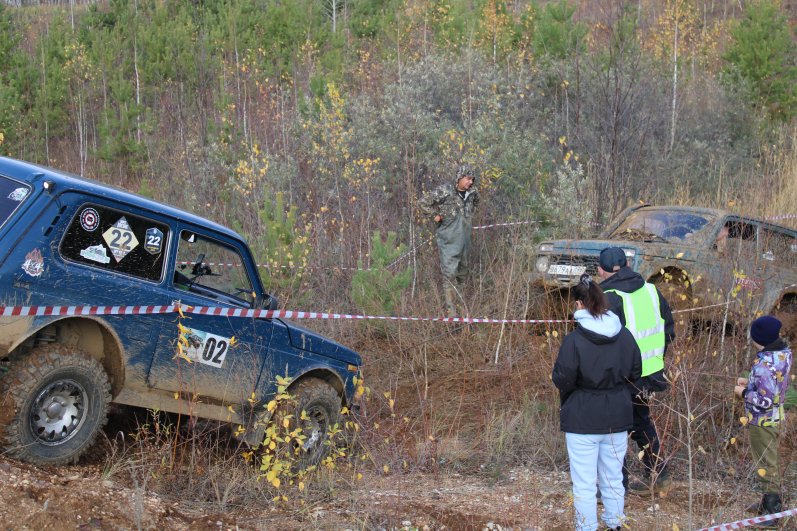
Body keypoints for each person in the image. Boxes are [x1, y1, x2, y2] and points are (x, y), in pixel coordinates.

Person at [553, 274, 642, 531]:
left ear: (580, 305)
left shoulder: (574, 340)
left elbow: (562, 378)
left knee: (584, 482)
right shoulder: (624, 335)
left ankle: (586, 527)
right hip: (618, 415)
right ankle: (615, 525)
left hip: (582, 418)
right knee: (613, 478)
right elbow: (636, 372)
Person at [597, 247, 675, 495]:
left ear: (601, 270)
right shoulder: (651, 290)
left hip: (622, 376)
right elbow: (669, 330)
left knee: (613, 429)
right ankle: (658, 476)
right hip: (651, 372)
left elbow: (603, 343)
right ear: (627, 265)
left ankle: (618, 487)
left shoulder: (608, 297)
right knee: (640, 422)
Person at [734, 315, 792, 527]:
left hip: (762, 421)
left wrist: (743, 392)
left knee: (767, 463)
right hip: (774, 418)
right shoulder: (781, 354)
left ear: (759, 338)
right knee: (767, 461)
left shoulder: (765, 364)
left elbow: (764, 400)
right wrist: (749, 381)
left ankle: (772, 511)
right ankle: (767, 503)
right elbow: (772, 384)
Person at [419, 163, 479, 316]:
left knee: (463, 275)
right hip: (449, 241)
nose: (470, 182)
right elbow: (423, 203)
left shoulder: (472, 193)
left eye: (472, 179)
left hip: (465, 241)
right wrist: (436, 216)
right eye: (467, 179)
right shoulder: (446, 190)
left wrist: (468, 218)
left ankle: (462, 312)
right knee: (449, 275)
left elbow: (475, 205)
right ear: (459, 178)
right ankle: (452, 316)